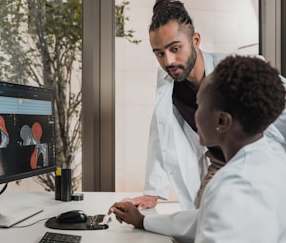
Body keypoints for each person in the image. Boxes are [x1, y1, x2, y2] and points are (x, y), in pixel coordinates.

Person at [123, 0, 286, 211]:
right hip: (219, 161)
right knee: (203, 215)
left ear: (195, 40)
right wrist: (153, 191)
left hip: (258, 160)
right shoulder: (168, 82)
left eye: (175, 48)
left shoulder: (232, 70)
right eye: (159, 53)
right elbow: (159, 130)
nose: (168, 61)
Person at [109, 55, 286, 242]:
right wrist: (142, 221)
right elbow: (203, 217)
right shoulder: (273, 160)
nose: (194, 116)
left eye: (199, 106)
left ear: (222, 121)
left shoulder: (233, 187)